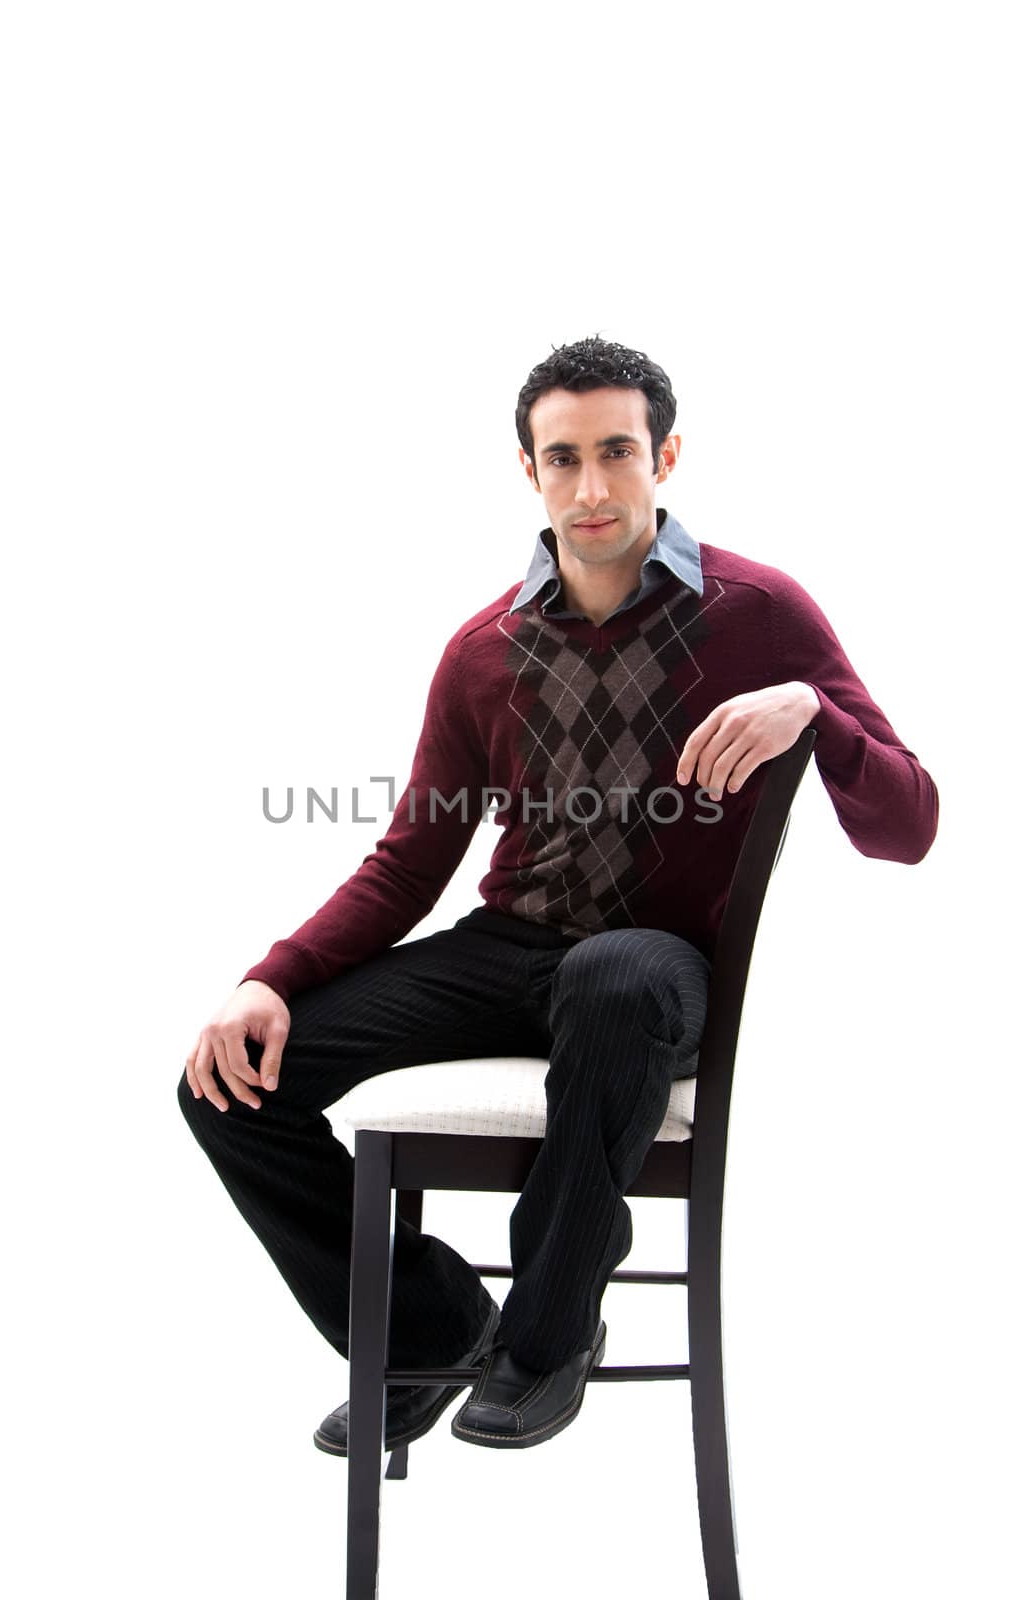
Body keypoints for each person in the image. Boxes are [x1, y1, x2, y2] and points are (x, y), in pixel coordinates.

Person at [178, 334, 939, 1454]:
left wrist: (811, 716)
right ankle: (426, 1333)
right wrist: (267, 979)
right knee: (224, 1089)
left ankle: (545, 1337)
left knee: (612, 972)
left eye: (616, 451)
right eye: (563, 456)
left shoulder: (759, 613)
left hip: (651, 975)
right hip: (506, 950)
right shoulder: (481, 650)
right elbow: (407, 860)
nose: (590, 486)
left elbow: (909, 824)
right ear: (526, 470)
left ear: (664, 456)